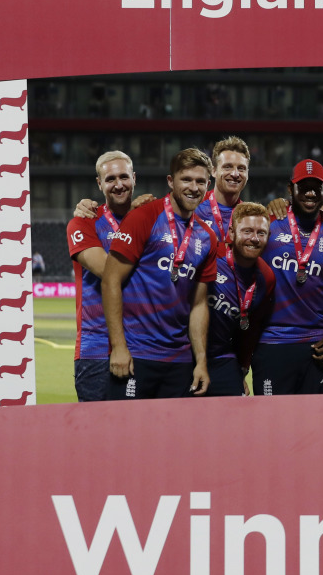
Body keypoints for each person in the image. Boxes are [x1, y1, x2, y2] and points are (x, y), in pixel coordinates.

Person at [102, 148, 220, 399]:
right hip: (136, 355)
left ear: (208, 185)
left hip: (179, 361)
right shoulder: (144, 216)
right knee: (125, 435)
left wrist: (200, 361)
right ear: (171, 181)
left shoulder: (207, 237)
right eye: (186, 179)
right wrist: (119, 347)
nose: (193, 187)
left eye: (201, 181)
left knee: (173, 438)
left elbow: (199, 304)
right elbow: (111, 280)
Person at [253, 159, 323, 395]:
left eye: (316, 187)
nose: (310, 192)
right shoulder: (270, 222)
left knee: (317, 427)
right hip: (272, 342)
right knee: (272, 425)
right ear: (290, 189)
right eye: (303, 186)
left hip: (318, 346)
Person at [66, 150, 137, 401]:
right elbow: (110, 272)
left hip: (142, 347)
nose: (118, 185)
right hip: (94, 349)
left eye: (124, 177)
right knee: (94, 436)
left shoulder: (152, 218)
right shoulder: (83, 222)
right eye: (110, 179)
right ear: (99, 183)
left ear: (134, 178)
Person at [203, 202, 276, 396]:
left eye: (261, 233)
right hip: (186, 354)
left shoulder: (266, 277)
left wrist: (241, 370)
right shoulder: (210, 256)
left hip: (222, 357)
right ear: (232, 233)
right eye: (247, 231)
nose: (254, 238)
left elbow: (251, 328)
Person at [194, 136, 251, 241]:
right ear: (214, 171)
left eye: (241, 168)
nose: (235, 174)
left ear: (247, 174)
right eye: (227, 167)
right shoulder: (193, 206)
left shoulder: (250, 216)